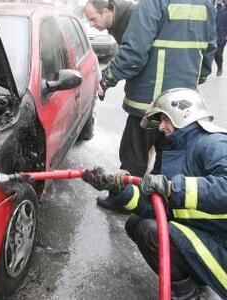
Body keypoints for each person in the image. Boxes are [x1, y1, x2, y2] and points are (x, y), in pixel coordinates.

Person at [83, 88, 227, 299]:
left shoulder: (214, 143)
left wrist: (173, 188)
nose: (160, 127)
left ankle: (188, 296)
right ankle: (193, 280)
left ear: (183, 115)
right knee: (136, 224)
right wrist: (118, 190)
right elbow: (156, 204)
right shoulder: (175, 151)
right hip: (204, 235)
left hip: (221, 245)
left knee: (152, 231)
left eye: (165, 120)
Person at [84, 0, 217, 212]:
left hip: (150, 100)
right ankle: (159, 205)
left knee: (134, 155)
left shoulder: (153, 2)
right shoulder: (206, 4)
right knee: (168, 157)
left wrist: (107, 78)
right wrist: (198, 77)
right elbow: (210, 48)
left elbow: (134, 53)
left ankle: (126, 200)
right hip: (183, 105)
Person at [215, 0, 227, 76]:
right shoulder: (209, 4)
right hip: (210, 35)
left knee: (218, 54)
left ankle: (220, 67)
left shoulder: (225, 6)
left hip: (222, 34)